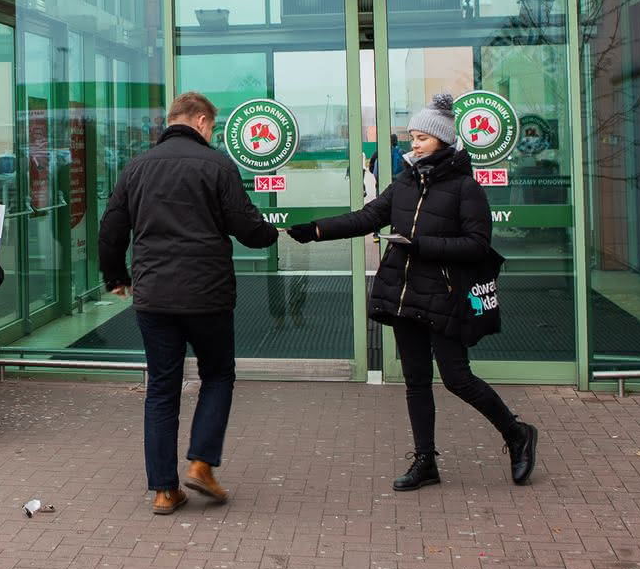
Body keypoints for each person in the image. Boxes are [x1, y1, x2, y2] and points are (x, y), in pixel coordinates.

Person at [288, 93, 538, 490]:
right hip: (405, 294)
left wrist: (419, 245)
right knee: (416, 380)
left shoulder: (464, 189)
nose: (414, 144)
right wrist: (316, 230)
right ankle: (426, 462)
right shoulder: (405, 181)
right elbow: (369, 216)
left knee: (457, 378)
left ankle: (516, 433)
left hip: (445, 295)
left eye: (422, 137)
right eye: (412, 137)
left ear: (443, 140)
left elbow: (477, 245)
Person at [97, 91, 279, 515]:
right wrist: (272, 234)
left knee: (162, 388)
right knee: (217, 375)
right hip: (207, 295)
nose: (211, 133)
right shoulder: (216, 165)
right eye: (212, 126)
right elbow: (246, 226)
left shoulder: (136, 167)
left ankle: (164, 490)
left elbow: (111, 229)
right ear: (200, 121)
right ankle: (200, 463)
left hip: (154, 296)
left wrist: (116, 276)